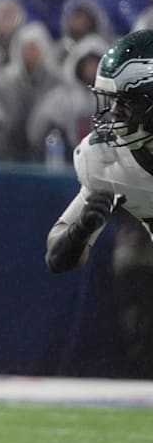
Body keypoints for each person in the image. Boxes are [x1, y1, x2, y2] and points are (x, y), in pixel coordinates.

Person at [45, 28, 153, 274]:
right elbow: (55, 255)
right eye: (113, 100)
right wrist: (80, 230)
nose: (114, 111)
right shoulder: (110, 159)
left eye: (126, 101)